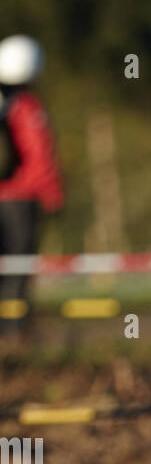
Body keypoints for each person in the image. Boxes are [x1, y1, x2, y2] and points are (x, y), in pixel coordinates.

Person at [0, 35, 64, 319]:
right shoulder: (25, 106)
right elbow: (39, 157)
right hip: (18, 198)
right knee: (17, 266)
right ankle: (13, 331)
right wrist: (53, 195)